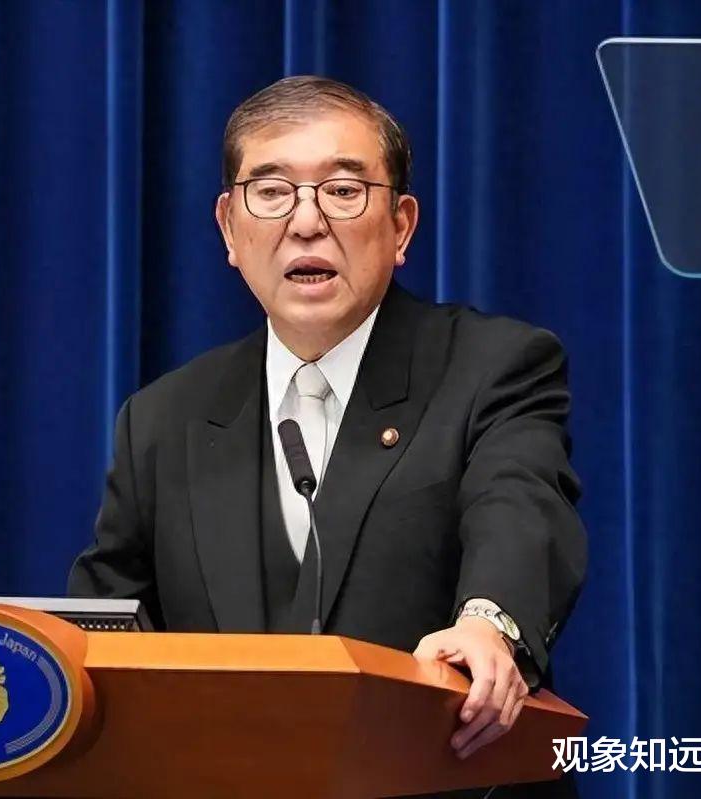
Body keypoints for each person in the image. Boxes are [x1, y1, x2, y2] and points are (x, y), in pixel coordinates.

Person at [68, 75, 586, 798]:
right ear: (228, 228)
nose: (306, 222)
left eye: (343, 191)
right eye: (271, 191)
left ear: (401, 226)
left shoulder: (493, 366)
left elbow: (521, 507)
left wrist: (488, 625)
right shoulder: (163, 418)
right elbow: (105, 632)